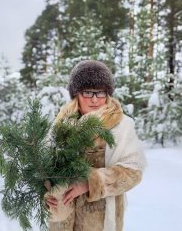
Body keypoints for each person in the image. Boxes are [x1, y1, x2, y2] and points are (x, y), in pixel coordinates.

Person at [45, 60, 146, 231]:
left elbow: (133, 172)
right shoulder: (61, 124)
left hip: (100, 221)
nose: (94, 99)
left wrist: (91, 183)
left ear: (107, 94)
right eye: (88, 92)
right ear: (76, 94)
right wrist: (48, 191)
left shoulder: (121, 126)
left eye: (100, 93)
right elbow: (45, 165)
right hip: (63, 222)